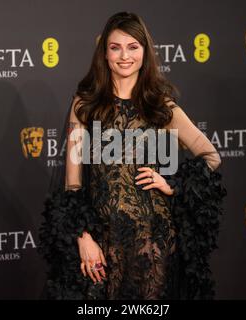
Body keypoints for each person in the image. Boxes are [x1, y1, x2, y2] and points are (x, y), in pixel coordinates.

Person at [39, 11, 226, 300]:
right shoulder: (85, 105)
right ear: (104, 54)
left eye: (133, 47)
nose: (124, 56)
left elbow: (210, 155)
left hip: (154, 243)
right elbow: (73, 184)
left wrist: (171, 183)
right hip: (102, 242)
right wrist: (83, 238)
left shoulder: (160, 106)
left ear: (145, 52)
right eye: (115, 47)